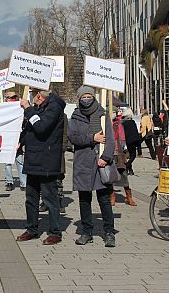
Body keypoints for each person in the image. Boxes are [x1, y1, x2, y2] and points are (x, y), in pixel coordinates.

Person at [68, 85, 116, 248]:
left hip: (100, 162)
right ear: (79, 98)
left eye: (89, 96)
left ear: (94, 97)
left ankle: (109, 232)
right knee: (84, 199)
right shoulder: (75, 116)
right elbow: (73, 138)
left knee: (104, 199)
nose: (87, 99)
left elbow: (110, 139)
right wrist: (92, 138)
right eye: (84, 96)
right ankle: (86, 232)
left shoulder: (102, 115)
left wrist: (106, 157)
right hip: (82, 163)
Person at [16, 89, 65, 245]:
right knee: (31, 198)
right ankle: (31, 229)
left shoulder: (54, 107)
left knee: (50, 198)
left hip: (47, 160)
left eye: (35, 97)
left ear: (39, 96)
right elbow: (30, 129)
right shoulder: (39, 108)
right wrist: (20, 142)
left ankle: (55, 232)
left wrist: (29, 109)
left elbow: (41, 127)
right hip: (33, 159)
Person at [40, 113, 68, 213]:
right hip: (43, 151)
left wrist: (63, 147)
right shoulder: (40, 113)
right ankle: (45, 201)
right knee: (43, 178)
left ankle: (59, 200)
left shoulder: (62, 115)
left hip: (57, 150)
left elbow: (65, 133)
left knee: (58, 179)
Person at [111, 110, 136, 206]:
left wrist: (125, 151)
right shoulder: (106, 124)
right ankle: (112, 196)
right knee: (111, 175)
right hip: (110, 152)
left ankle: (129, 196)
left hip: (119, 152)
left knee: (123, 174)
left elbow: (123, 139)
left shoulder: (119, 124)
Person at [4, 91, 26, 191]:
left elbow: (24, 126)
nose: (12, 99)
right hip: (7, 140)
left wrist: (21, 141)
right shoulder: (3, 110)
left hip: (18, 140)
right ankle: (9, 182)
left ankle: (23, 183)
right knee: (8, 163)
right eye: (10, 97)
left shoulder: (20, 109)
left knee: (19, 162)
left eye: (14, 97)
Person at [121, 108, 140, 175]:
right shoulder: (132, 122)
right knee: (133, 155)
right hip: (132, 141)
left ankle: (130, 169)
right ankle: (128, 165)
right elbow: (135, 132)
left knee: (128, 155)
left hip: (126, 141)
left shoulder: (123, 123)